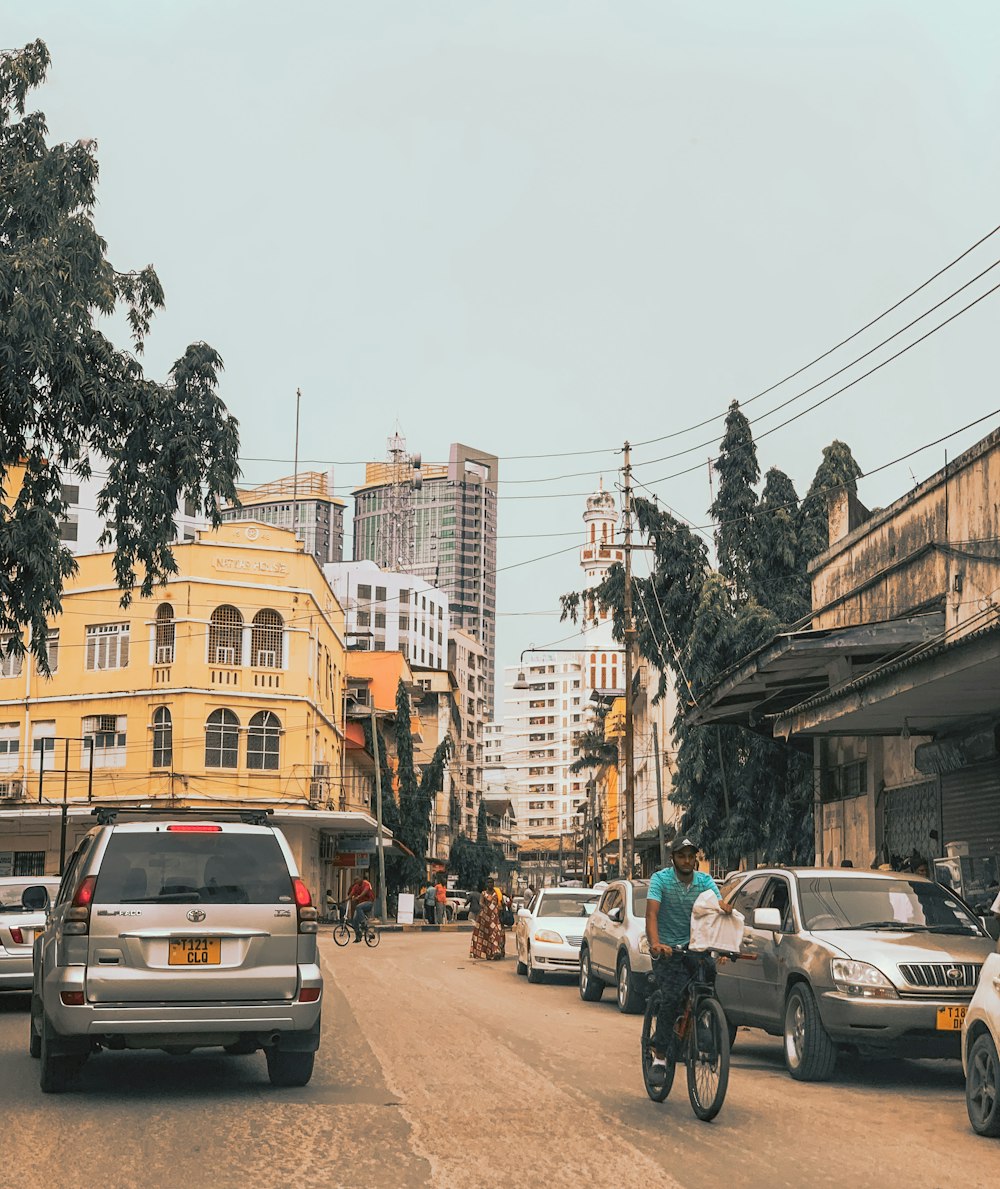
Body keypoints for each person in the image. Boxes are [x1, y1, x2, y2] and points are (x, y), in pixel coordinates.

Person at [645, 837, 734, 1086]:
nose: (686, 860)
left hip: (696, 948)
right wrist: (656, 943)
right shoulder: (660, 880)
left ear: (696, 858)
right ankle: (660, 1058)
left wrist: (724, 945)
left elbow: (718, 912)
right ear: (672, 858)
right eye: (681, 856)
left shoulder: (705, 882)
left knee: (707, 983)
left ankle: (703, 1021)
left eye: (690, 856)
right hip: (668, 951)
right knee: (672, 997)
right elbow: (651, 914)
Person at [469, 876, 505, 960]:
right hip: (485, 917)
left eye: (491, 882)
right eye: (488, 883)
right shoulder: (483, 893)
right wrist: (486, 907)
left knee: (496, 932)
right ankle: (490, 953)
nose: (490, 884)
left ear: (493, 884)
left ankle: (496, 951)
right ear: (486, 884)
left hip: (495, 917)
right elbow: (481, 902)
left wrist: (500, 907)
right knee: (486, 935)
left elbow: (501, 903)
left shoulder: (497, 894)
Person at [347, 873, 375, 942]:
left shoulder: (366, 883)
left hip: (369, 903)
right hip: (361, 906)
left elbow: (365, 891)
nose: (355, 882)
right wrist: (347, 899)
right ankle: (358, 936)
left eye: (356, 880)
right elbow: (351, 893)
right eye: (354, 881)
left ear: (360, 879)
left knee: (358, 907)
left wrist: (358, 897)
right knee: (355, 920)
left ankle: (363, 922)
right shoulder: (356, 886)